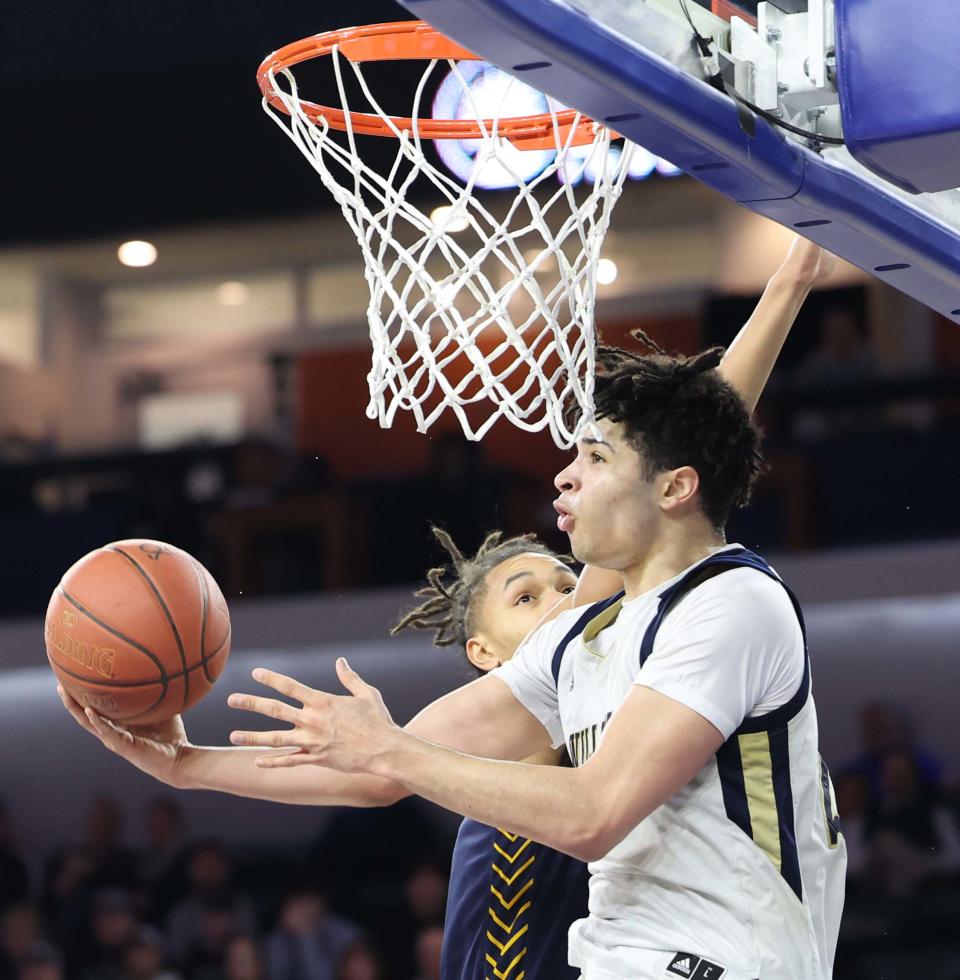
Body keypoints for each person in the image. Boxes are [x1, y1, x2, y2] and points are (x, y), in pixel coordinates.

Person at [59, 239, 840, 979]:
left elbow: (593, 810)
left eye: (593, 459)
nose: (564, 478)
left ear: (674, 488)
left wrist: (787, 285)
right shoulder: (580, 643)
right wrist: (186, 766)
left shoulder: (730, 604)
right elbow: (372, 774)